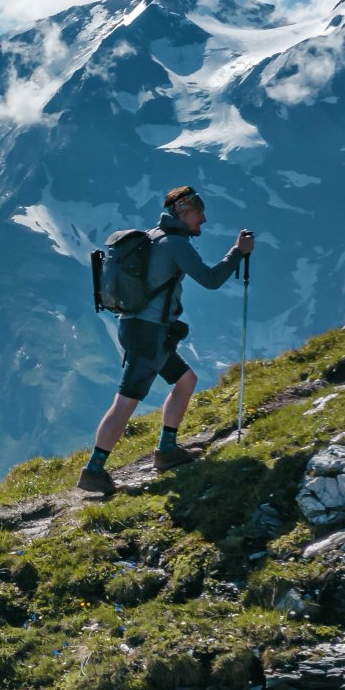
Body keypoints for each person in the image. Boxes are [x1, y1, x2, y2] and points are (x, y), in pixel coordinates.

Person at [78, 185, 254, 494]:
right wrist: (238, 252)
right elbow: (211, 280)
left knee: (186, 380)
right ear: (183, 211)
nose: (204, 218)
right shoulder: (175, 244)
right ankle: (94, 471)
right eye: (199, 211)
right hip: (149, 333)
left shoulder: (152, 237)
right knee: (124, 403)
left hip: (134, 326)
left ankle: (167, 450)